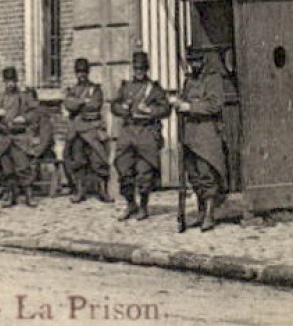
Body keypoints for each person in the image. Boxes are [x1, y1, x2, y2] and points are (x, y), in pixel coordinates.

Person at [109, 50, 170, 221]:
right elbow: (114, 106)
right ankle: (130, 204)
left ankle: (143, 206)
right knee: (124, 169)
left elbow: (166, 109)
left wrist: (150, 110)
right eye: (136, 68)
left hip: (146, 133)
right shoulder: (126, 87)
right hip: (128, 131)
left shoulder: (154, 89)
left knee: (144, 172)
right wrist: (124, 109)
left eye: (142, 68)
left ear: (147, 69)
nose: (139, 71)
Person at [173, 49, 229, 231]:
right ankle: (200, 211)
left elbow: (215, 104)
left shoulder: (213, 79)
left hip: (206, 134)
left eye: (196, 62)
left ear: (203, 61)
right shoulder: (189, 80)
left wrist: (189, 106)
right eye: (190, 62)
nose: (193, 65)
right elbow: (184, 100)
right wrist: (177, 103)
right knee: (194, 175)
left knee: (206, 174)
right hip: (190, 134)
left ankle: (209, 215)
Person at [0, 66, 45, 208]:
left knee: (23, 167)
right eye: (7, 81)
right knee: (6, 169)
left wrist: (24, 118)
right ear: (4, 82)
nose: (10, 84)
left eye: (12, 81)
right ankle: (9, 194)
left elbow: (35, 112)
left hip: (19, 138)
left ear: (16, 81)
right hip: (3, 138)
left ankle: (29, 195)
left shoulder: (24, 97)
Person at [60, 57, 111, 203]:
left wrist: (78, 105)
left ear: (88, 72)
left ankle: (103, 191)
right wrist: (82, 102)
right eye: (78, 72)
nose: (81, 75)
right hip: (76, 131)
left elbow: (95, 106)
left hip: (92, 130)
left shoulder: (95, 89)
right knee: (78, 160)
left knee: (98, 159)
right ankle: (79, 191)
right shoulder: (72, 90)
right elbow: (68, 105)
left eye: (83, 72)